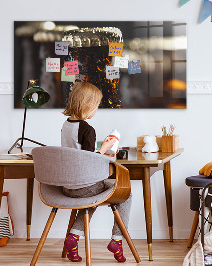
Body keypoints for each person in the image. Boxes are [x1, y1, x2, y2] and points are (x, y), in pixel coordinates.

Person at [61, 82, 131, 263]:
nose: (97, 109)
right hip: (84, 186)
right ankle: (117, 240)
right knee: (126, 194)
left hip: (67, 186)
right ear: (88, 105)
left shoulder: (66, 125)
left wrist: (101, 149)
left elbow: (78, 154)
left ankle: (73, 238)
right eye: (97, 105)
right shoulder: (87, 129)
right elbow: (89, 161)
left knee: (91, 197)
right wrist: (106, 148)